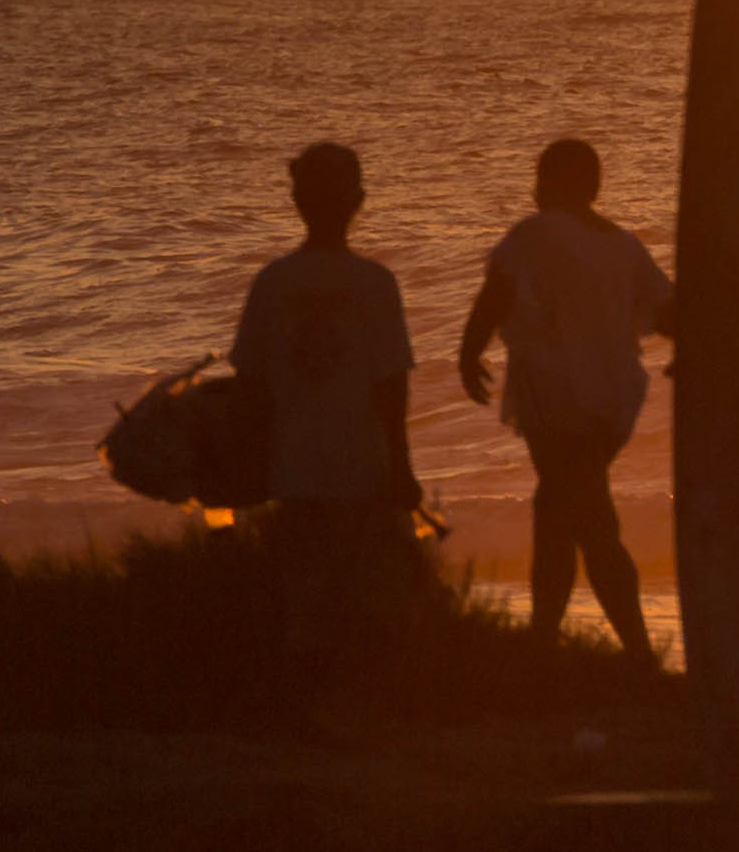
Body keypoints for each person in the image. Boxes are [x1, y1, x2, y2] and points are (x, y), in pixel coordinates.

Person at [458, 139, 671, 657]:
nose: (534, 189)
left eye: (541, 177)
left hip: (558, 401)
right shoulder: (624, 245)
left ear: (554, 183)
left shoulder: (536, 233)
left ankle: (640, 655)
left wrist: (468, 353)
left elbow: (497, 293)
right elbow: (671, 312)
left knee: (593, 525)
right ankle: (543, 643)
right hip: (613, 405)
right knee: (556, 511)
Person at [235, 143, 420, 675]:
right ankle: (358, 691)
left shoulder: (273, 282)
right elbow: (392, 387)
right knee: (366, 593)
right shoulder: (375, 284)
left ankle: (310, 690)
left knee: (305, 596)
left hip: (292, 467)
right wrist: (402, 468)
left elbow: (251, 386)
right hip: (363, 466)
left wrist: (249, 463)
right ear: (358, 202)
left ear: (296, 201)